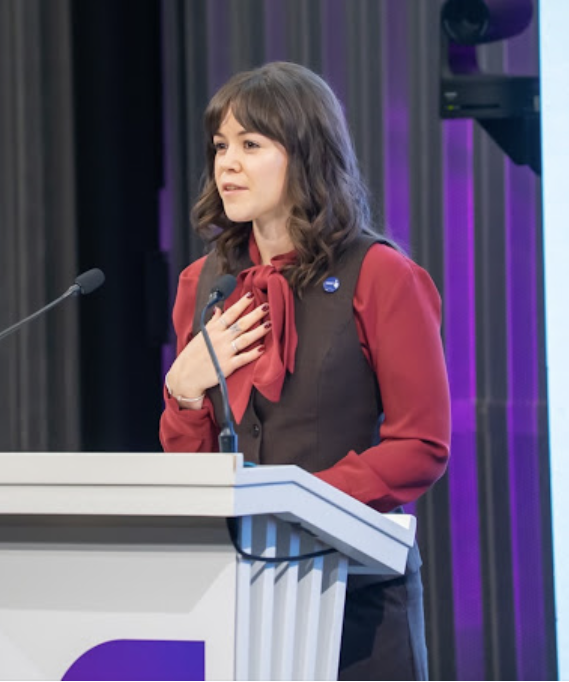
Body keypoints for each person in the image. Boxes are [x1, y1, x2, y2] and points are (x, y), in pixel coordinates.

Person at [159, 61, 450, 681]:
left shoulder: (382, 275)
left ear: (307, 154)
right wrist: (182, 395)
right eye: (220, 147)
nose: (227, 165)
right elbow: (193, 471)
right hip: (238, 592)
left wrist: (299, 506)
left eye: (251, 145)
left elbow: (421, 445)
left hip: (354, 593)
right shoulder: (203, 285)